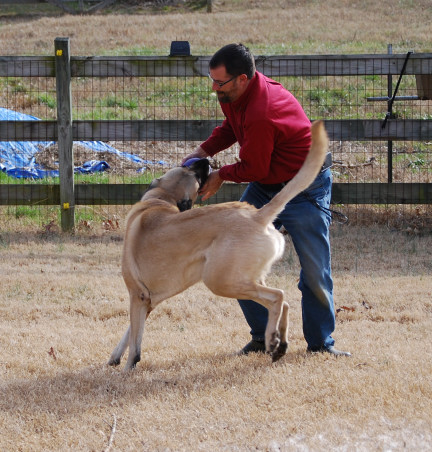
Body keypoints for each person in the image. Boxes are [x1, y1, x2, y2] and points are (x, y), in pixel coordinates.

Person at [182, 43, 351, 357]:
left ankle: (321, 345)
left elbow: (253, 167)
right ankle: (263, 336)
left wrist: (219, 175)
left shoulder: (263, 110)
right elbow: (232, 127)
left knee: (315, 271)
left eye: (220, 83)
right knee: (233, 258)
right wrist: (203, 152)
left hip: (304, 186)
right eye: (212, 81)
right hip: (266, 183)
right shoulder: (234, 95)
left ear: (243, 79)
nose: (215, 88)